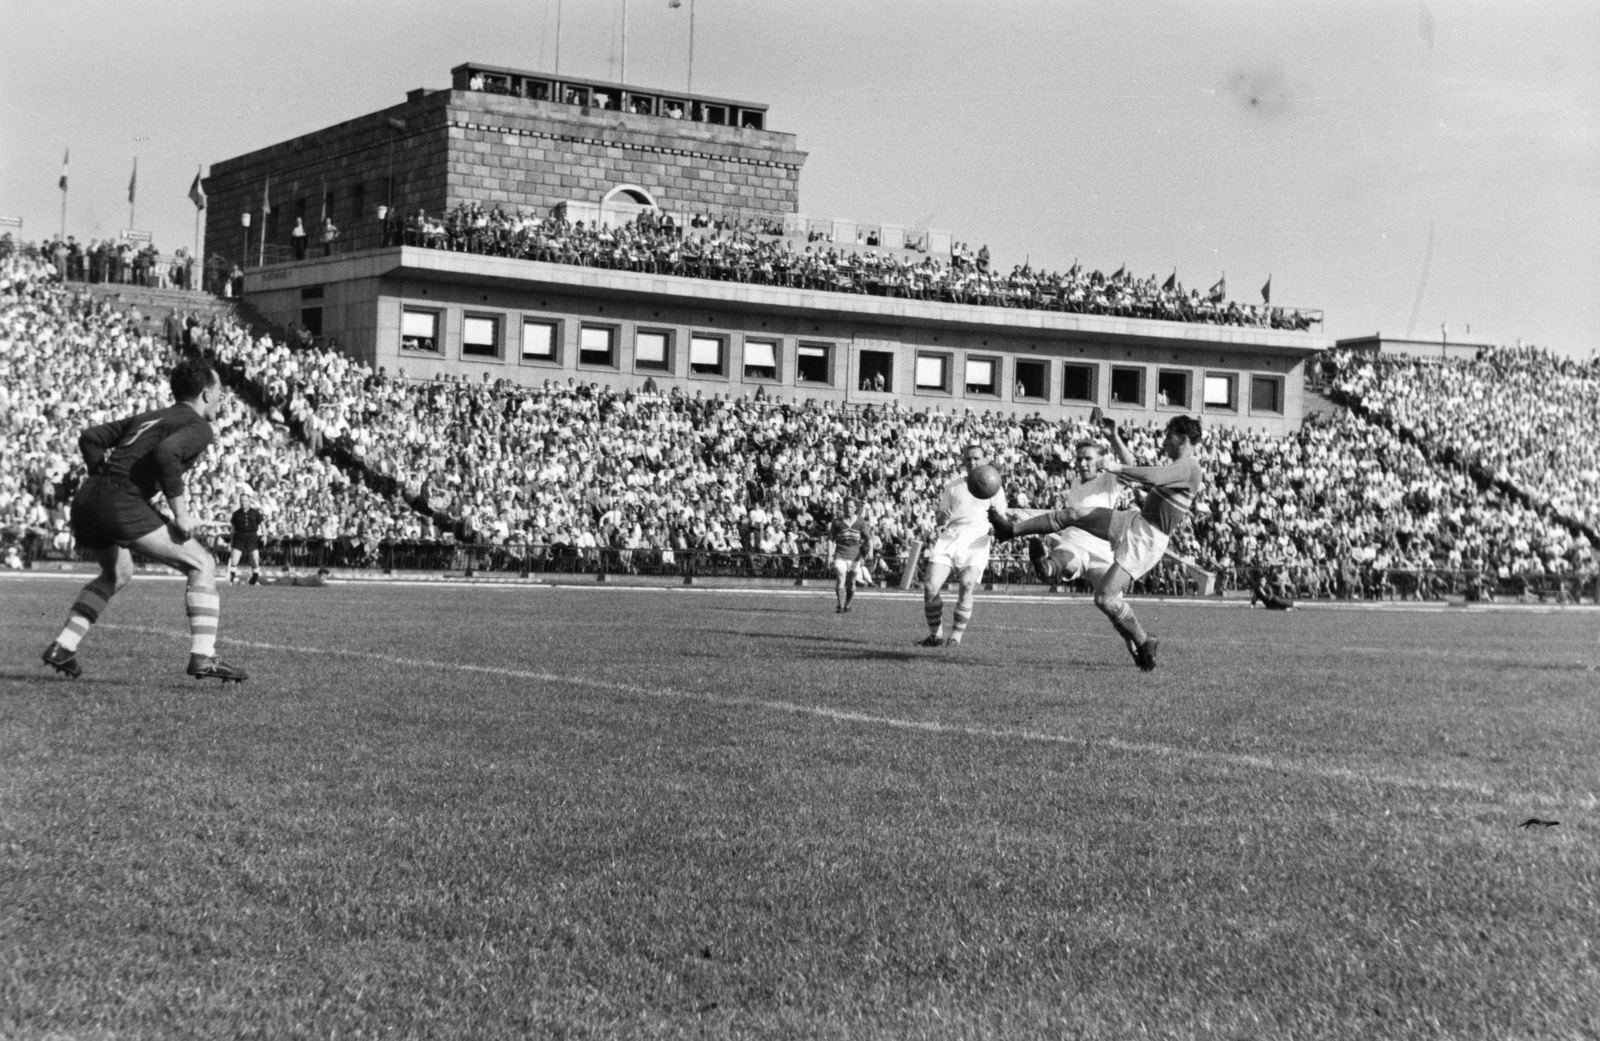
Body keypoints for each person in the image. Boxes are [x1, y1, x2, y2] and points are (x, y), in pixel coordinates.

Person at [41, 357, 247, 683]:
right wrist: (181, 514)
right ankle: (203, 655)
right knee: (202, 565)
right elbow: (168, 454)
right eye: (220, 390)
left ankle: (63, 647)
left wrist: (103, 478)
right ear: (207, 393)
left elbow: (90, 438)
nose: (223, 398)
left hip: (88, 500)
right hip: (121, 502)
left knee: (117, 572)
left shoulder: (149, 416)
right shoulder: (199, 426)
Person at [990, 414, 1205, 671]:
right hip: (1135, 521)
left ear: (1182, 439)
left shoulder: (1190, 466)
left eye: (1169, 437)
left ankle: (1145, 642)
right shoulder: (1181, 467)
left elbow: (1155, 477)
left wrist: (1117, 468)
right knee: (1073, 514)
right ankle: (1009, 530)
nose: (1164, 442)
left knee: (1105, 599)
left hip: (1147, 539)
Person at [920, 444, 1007, 647]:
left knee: (967, 585)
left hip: (977, 539)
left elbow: (1001, 518)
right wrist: (942, 516)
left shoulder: (994, 487)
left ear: (985, 460)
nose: (971, 462)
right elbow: (940, 519)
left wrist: (997, 526)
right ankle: (935, 636)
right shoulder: (953, 486)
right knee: (930, 586)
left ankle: (955, 638)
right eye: (968, 459)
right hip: (951, 536)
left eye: (976, 458)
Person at [827, 497, 872, 613]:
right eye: (846, 506)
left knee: (852, 582)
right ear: (843, 507)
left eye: (851, 506)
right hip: (840, 554)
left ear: (856, 508)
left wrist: (870, 551)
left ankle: (847, 604)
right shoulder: (837, 522)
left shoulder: (860, 521)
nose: (848, 509)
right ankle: (840, 605)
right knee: (841, 576)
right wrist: (829, 555)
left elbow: (868, 538)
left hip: (854, 557)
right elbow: (830, 539)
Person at [228, 493, 266, 585]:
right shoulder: (236, 514)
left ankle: (254, 579)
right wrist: (231, 541)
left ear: (249, 501)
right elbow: (233, 529)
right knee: (234, 560)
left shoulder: (255, 513)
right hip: (239, 536)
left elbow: (262, 525)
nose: (243, 503)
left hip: (252, 536)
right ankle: (231, 580)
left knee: (255, 559)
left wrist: (265, 535)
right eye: (241, 501)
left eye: (245, 501)